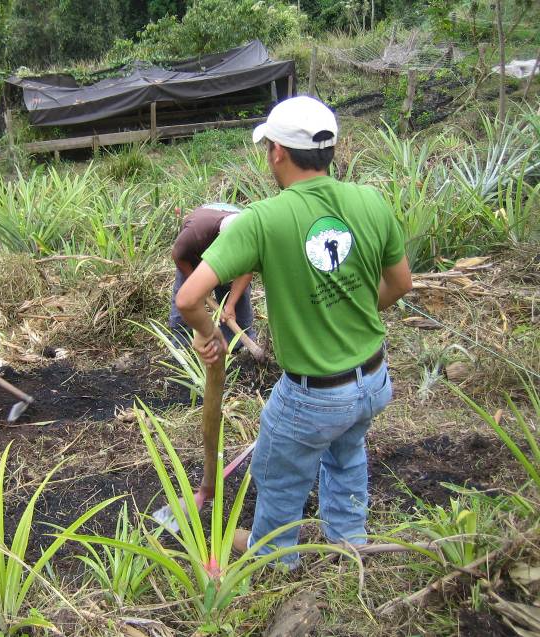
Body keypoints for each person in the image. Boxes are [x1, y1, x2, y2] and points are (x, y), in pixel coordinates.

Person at [175, 96, 413, 568]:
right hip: (373, 379)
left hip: (314, 396)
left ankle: (276, 554)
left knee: (277, 470)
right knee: (347, 455)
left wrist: (210, 336)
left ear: (278, 152)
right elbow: (401, 283)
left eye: (269, 149)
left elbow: (188, 298)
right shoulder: (369, 201)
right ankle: (349, 541)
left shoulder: (264, 218)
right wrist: (349, 312)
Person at [169, 203, 256, 348]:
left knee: (234, 299)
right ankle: (181, 341)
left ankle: (236, 343)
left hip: (228, 216)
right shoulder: (195, 234)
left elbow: (245, 272)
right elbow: (178, 256)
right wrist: (197, 286)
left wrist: (230, 305)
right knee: (187, 295)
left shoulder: (245, 235)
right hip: (194, 254)